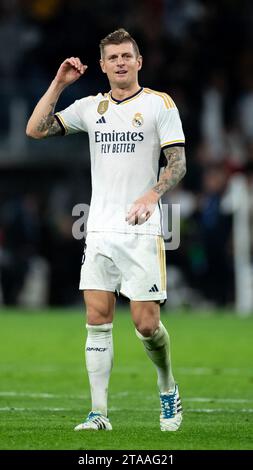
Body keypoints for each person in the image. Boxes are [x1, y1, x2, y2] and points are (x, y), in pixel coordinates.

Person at [26, 28, 186, 432]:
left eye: (126, 56)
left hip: (142, 229)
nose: (120, 62)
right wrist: (59, 84)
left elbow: (178, 163)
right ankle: (99, 414)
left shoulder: (158, 105)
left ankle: (167, 387)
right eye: (112, 57)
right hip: (98, 228)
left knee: (146, 325)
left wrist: (153, 194)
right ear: (102, 65)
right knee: (97, 319)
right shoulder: (90, 107)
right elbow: (36, 129)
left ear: (139, 62)